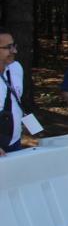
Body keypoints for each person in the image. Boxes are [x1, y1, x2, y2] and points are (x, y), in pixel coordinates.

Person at [0, 27, 22, 156]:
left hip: (15, 142)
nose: (14, 51)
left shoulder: (16, 68)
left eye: (13, 45)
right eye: (8, 47)